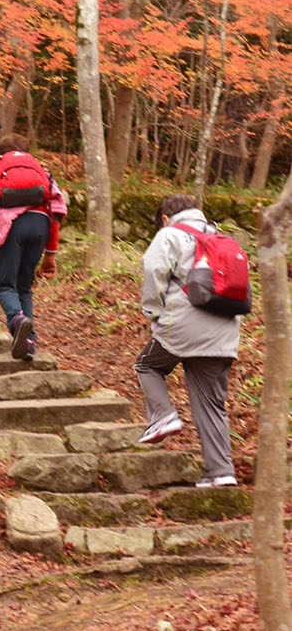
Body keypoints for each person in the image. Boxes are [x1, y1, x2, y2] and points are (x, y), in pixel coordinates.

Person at [134, 194, 241, 487]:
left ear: (166, 219)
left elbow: (153, 271)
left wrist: (152, 313)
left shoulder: (170, 235)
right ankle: (222, 472)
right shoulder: (219, 236)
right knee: (211, 403)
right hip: (224, 332)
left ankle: (163, 415)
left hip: (182, 325)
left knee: (146, 365)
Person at [0, 135, 67, 360]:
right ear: (27, 152)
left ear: (0, 153)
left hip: (11, 226)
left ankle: (16, 319)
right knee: (25, 287)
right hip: (41, 225)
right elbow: (56, 212)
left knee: (5, 286)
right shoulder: (43, 172)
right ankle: (29, 342)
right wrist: (51, 255)